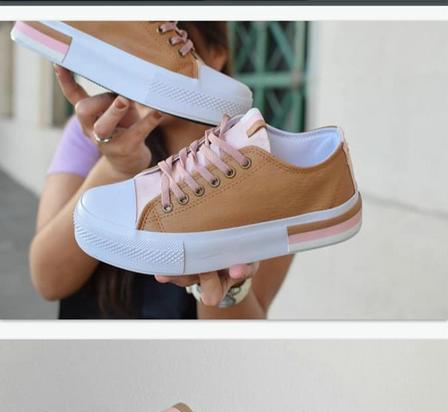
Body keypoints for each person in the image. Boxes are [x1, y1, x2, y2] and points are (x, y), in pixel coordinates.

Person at [30, 22, 293, 319]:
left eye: (173, 37)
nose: (152, 61)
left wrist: (226, 283)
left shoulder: (264, 162)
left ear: (217, 55)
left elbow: (239, 334)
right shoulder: (93, 133)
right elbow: (48, 281)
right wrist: (117, 168)